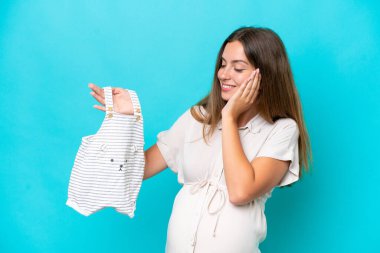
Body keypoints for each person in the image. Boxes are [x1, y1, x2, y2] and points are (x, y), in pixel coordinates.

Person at [88, 26, 312, 253]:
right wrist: (126, 120)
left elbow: (241, 191)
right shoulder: (197, 118)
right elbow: (137, 170)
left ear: (264, 75)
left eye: (238, 68)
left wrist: (230, 117)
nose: (224, 74)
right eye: (223, 64)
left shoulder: (282, 130)